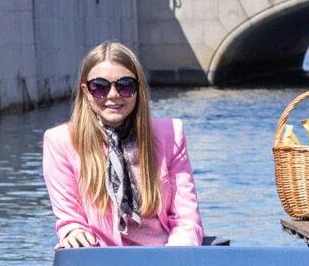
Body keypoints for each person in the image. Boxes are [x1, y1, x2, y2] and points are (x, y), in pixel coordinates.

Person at [42, 42, 203, 247]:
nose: (113, 95)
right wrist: (74, 232)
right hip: (102, 258)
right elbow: (70, 218)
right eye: (99, 86)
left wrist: (172, 260)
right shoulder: (59, 141)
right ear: (85, 91)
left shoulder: (171, 134)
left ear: (138, 89)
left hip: (163, 257)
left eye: (125, 85)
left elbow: (187, 220)